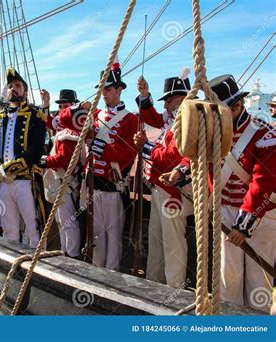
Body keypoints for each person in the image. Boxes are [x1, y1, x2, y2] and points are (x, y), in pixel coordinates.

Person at [163, 74, 276, 312]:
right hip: (225, 211)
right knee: (227, 279)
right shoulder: (214, 131)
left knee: (258, 284)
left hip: (259, 216)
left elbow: (263, 182)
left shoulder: (264, 134)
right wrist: (180, 173)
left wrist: (244, 224)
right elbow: (198, 156)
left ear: (237, 106)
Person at [133, 69, 193, 288]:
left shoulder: (189, 121)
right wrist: (145, 95)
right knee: (158, 241)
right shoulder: (175, 120)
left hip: (175, 190)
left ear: (183, 99)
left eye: (169, 100)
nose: (166, 106)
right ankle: (154, 284)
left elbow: (173, 156)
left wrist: (145, 146)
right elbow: (154, 119)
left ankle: (174, 289)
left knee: (172, 243)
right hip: (161, 188)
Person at [88, 57, 140, 270]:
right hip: (94, 184)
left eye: (108, 90)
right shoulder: (95, 115)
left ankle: (111, 275)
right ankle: (96, 271)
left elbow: (128, 153)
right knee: (97, 236)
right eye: (102, 90)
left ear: (119, 90)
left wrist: (101, 148)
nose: (104, 94)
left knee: (113, 237)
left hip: (113, 186)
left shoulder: (131, 120)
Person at [0, 68, 46, 248]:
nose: (13, 89)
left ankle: (36, 269)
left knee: (32, 229)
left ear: (25, 92)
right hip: (3, 182)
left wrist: (7, 169)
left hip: (25, 180)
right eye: (10, 86)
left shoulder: (36, 116)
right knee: (8, 229)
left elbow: (35, 151)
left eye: (18, 86)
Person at [38, 100, 89, 258]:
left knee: (69, 223)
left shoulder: (69, 136)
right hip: (63, 184)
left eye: (64, 107)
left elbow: (64, 160)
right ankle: (65, 252)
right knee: (63, 222)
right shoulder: (69, 133)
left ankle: (72, 255)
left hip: (66, 184)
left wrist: (44, 160)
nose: (61, 111)